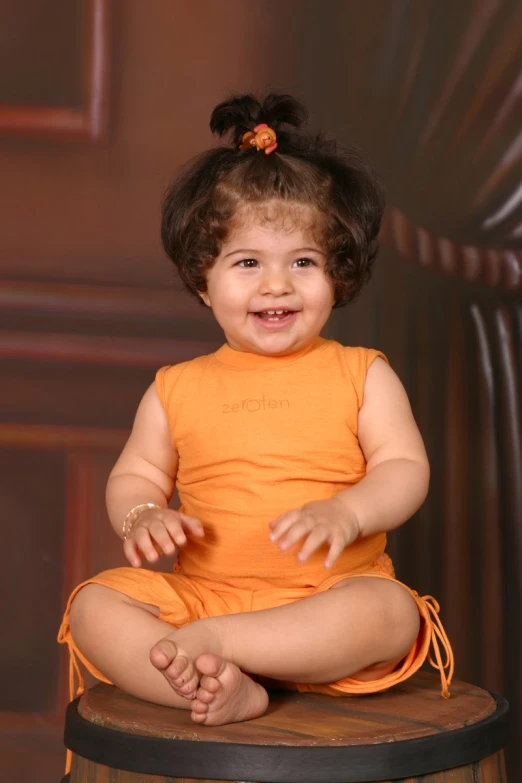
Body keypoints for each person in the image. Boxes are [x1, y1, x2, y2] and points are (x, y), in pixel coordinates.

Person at [58, 93, 453, 732]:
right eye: (247, 263)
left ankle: (226, 648)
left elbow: (404, 467)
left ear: (339, 274)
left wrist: (348, 510)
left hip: (323, 600)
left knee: (392, 613)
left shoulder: (363, 373)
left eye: (303, 262)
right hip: (203, 597)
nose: (277, 285)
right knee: (94, 609)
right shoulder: (175, 388)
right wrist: (142, 513)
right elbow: (135, 475)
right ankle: (222, 686)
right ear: (201, 279)